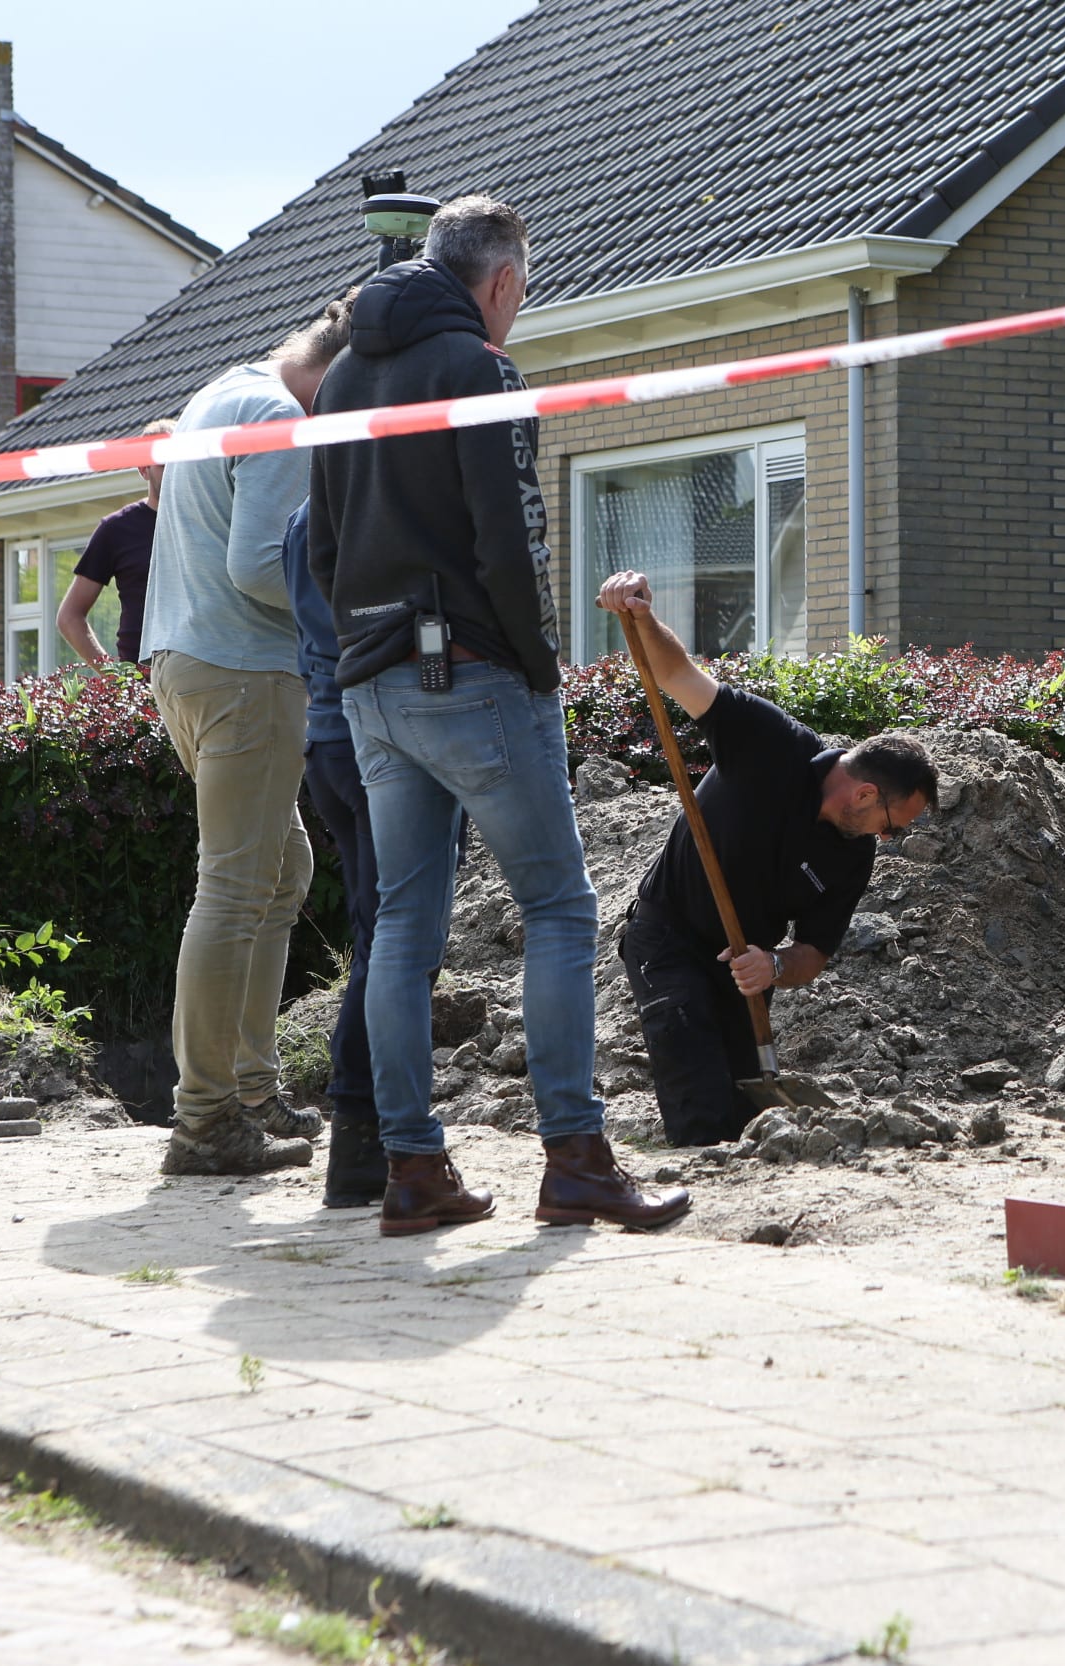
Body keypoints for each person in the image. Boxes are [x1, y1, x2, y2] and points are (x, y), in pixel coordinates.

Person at [310, 195, 689, 1237]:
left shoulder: (341, 375)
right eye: (524, 290)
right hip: (475, 674)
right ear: (503, 280)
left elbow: (321, 546)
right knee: (559, 911)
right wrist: (539, 669)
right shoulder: (482, 373)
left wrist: (359, 650)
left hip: (373, 684)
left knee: (401, 927)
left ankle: (412, 1171)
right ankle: (575, 1159)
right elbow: (511, 542)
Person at [599, 570, 939, 1147]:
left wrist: (774, 967)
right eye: (890, 825)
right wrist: (640, 616)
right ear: (864, 793)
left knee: (743, 1103)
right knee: (698, 1090)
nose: (886, 840)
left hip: (745, 969)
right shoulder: (769, 743)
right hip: (668, 937)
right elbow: (678, 675)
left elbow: (814, 952)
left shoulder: (852, 858)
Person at [141, 295, 354, 1176]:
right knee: (234, 888)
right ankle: (206, 1119)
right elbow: (261, 566)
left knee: (280, 871)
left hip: (190, 663)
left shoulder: (222, 390)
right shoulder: (276, 416)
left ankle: (250, 1087)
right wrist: (358, 601)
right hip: (248, 675)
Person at [281, 497, 385, 1208]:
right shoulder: (373, 508)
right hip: (377, 741)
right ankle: (364, 1136)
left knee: (377, 934)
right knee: (398, 943)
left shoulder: (300, 517)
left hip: (325, 742)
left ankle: (366, 1139)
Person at [56, 418, 178, 670]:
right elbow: (69, 616)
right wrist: (114, 678)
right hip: (143, 682)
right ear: (143, 469)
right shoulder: (117, 529)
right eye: (165, 465)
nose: (176, 471)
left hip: (202, 679)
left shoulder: (208, 521)